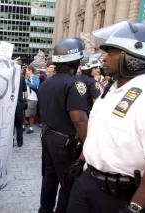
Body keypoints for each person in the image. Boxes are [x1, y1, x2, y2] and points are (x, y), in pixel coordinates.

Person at [66, 21, 145, 213]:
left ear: (135, 56)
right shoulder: (111, 90)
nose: (103, 58)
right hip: (87, 184)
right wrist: (82, 160)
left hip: (122, 196)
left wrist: (135, 207)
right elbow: (99, 134)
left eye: (111, 52)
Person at [38, 38, 89, 213]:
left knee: (49, 179)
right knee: (68, 184)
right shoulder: (75, 84)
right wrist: (90, 146)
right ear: (75, 62)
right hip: (65, 143)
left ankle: (44, 210)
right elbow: (79, 119)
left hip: (47, 137)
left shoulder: (45, 83)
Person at [14, 67, 27, 147]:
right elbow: (24, 91)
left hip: (9, 104)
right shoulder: (21, 77)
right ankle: (20, 142)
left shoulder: (7, 78)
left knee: (10, 125)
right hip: (19, 103)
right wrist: (25, 101)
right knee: (19, 124)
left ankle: (10, 142)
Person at [25, 66, 39, 134]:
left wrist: (27, 83)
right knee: (27, 113)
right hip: (28, 98)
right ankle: (25, 126)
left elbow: (36, 85)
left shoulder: (35, 77)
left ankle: (31, 128)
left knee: (30, 114)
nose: (26, 71)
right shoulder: (29, 78)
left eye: (27, 70)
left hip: (33, 98)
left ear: (30, 71)